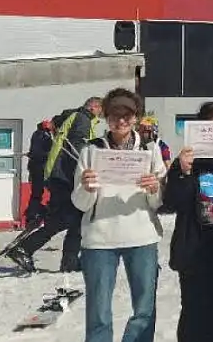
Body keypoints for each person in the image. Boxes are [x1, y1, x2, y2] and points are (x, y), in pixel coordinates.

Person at [72, 88, 166, 342]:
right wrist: (87, 187)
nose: (121, 120)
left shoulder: (149, 148)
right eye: (115, 114)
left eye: (127, 115)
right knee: (99, 314)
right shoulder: (91, 150)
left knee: (144, 310)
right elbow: (79, 203)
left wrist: (154, 188)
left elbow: (157, 202)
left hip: (142, 236)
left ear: (136, 117)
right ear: (106, 117)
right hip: (100, 239)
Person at [163, 101, 213, 342]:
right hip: (194, 253)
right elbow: (171, 203)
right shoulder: (188, 163)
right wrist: (183, 171)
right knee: (194, 315)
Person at [4, 96, 104, 273]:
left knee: (76, 219)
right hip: (65, 176)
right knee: (65, 218)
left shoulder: (73, 117)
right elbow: (78, 148)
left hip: (58, 174)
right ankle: (25, 249)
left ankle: (69, 262)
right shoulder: (82, 119)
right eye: (101, 110)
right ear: (94, 107)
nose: (102, 114)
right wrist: (91, 165)